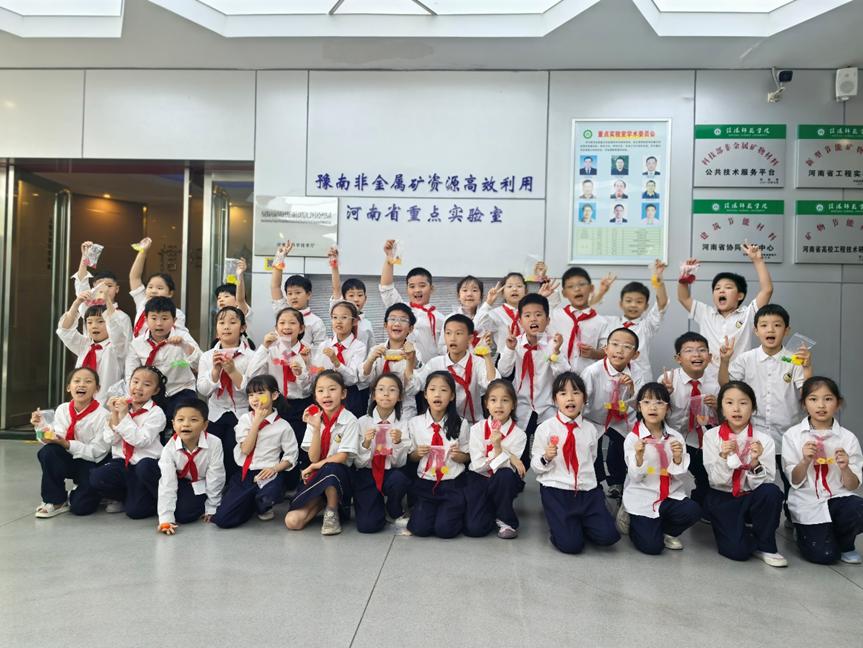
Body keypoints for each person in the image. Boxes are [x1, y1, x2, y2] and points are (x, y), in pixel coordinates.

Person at [532, 372, 620, 554]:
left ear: (584, 399)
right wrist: (546, 457)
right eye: (563, 393)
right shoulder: (545, 428)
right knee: (571, 546)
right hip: (556, 489)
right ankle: (563, 525)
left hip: (586, 490)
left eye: (576, 393)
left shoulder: (591, 430)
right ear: (555, 400)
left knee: (609, 537)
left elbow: (592, 458)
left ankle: (580, 521)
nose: (570, 398)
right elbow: (536, 466)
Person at [703, 381, 786, 567]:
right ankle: (745, 531)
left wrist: (755, 462)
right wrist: (723, 457)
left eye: (743, 403)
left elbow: (766, 482)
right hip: (723, 497)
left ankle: (766, 545)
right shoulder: (712, 436)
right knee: (737, 552)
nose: (736, 409)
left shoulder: (764, 440)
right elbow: (715, 480)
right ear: (721, 408)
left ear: (753, 407)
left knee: (771, 492)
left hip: (751, 494)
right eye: (729, 403)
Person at [782, 377, 863, 564]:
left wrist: (845, 468)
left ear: (838, 403)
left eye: (828, 399)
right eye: (813, 399)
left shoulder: (848, 438)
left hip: (838, 498)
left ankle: (846, 543)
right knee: (825, 556)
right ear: (804, 404)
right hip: (807, 502)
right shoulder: (793, 436)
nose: (821, 405)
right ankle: (804, 532)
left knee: (858, 508)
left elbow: (852, 485)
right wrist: (805, 461)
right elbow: (795, 480)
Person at [719, 303, 812, 457]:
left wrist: (807, 368)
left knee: (788, 472)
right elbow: (725, 386)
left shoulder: (795, 360)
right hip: (754, 437)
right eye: (764, 325)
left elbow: (807, 397)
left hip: (788, 438)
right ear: (756, 330)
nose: (770, 330)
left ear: (786, 330)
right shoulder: (746, 359)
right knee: (755, 470)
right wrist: (724, 361)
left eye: (777, 325)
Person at [621, 382, 701, 554]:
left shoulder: (675, 437)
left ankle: (667, 531)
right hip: (642, 495)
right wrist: (639, 457)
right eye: (647, 402)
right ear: (639, 407)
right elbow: (635, 477)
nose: (653, 407)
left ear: (667, 408)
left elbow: (680, 476)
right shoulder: (633, 438)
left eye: (659, 403)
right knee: (652, 547)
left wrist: (678, 459)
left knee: (693, 511)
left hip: (669, 495)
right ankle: (632, 519)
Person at [213, 375, 298, 528]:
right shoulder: (245, 419)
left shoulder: (283, 425)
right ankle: (252, 503)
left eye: (260, 393)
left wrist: (274, 469)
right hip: (246, 473)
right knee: (223, 520)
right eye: (251, 395)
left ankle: (263, 504)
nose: (255, 398)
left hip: (269, 473)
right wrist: (257, 422)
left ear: (274, 395)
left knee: (267, 495)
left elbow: (291, 456)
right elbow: (246, 449)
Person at [285, 371, 360, 535]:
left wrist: (314, 466)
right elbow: (313, 457)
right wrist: (316, 427)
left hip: (340, 476)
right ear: (315, 396)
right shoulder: (314, 419)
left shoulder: (350, 420)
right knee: (293, 521)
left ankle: (332, 510)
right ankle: (321, 502)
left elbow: (342, 457)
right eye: (320, 390)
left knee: (331, 468)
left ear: (343, 393)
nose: (326, 395)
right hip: (318, 474)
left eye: (332, 389)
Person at [677, 242, 773, 369]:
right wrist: (685, 276)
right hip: (708, 375)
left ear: (740, 296)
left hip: (739, 375)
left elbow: (767, 290)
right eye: (717, 288)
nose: (721, 291)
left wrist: (758, 260)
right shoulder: (705, 313)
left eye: (728, 287)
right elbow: (684, 298)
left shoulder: (748, 314)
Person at [31, 367, 110, 518]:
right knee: (48, 451)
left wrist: (67, 444)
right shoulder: (63, 409)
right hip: (69, 458)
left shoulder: (103, 415)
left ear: (97, 389)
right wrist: (41, 427)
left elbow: (98, 451)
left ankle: (91, 492)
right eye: (77, 381)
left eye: (88, 381)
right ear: (69, 387)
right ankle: (55, 500)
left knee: (81, 508)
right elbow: (57, 435)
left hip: (91, 464)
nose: (82, 385)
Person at [90, 365, 166, 518]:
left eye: (146, 384)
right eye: (135, 382)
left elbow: (140, 441)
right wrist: (114, 413)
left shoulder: (156, 413)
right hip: (123, 462)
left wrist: (124, 416)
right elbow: (111, 439)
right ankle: (124, 497)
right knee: (97, 477)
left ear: (155, 390)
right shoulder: (123, 407)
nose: (138, 387)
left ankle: (157, 500)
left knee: (136, 512)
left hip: (145, 464)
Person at [497, 294, 568, 457]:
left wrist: (556, 353)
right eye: (527, 315)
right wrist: (510, 349)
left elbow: (564, 375)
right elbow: (504, 371)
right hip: (520, 406)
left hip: (547, 407)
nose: (533, 319)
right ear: (520, 321)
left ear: (547, 320)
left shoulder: (553, 344)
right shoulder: (514, 343)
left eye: (538, 314)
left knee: (549, 452)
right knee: (519, 453)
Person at [581, 327, 647, 499]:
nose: (619, 350)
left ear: (635, 354)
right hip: (594, 417)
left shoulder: (637, 372)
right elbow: (581, 399)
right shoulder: (592, 372)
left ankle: (618, 482)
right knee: (592, 447)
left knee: (625, 444)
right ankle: (595, 484)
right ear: (606, 348)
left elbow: (641, 404)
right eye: (615, 344)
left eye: (627, 347)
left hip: (622, 418)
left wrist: (631, 389)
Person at [405, 371, 471, 538]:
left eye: (443, 390)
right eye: (432, 389)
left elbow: (467, 456)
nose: (437, 394)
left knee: (445, 530)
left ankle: (456, 512)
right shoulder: (415, 423)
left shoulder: (461, 423)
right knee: (420, 529)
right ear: (425, 394)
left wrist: (459, 456)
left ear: (452, 396)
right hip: (425, 482)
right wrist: (417, 454)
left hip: (452, 483)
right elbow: (410, 457)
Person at [659, 332, 719, 505]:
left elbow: (723, 420)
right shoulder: (667, 380)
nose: (696, 354)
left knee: (707, 476)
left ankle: (701, 501)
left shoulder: (715, 383)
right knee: (664, 475)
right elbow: (653, 414)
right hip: (669, 438)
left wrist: (717, 407)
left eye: (702, 350)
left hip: (698, 440)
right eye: (689, 350)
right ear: (678, 358)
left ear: (709, 357)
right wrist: (664, 395)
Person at [124, 296, 201, 428]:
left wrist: (184, 346)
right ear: (146, 320)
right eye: (154, 318)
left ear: (174, 320)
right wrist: (131, 398)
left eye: (164, 318)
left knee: (184, 425)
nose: (159, 323)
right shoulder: (137, 344)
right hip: (151, 394)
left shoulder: (183, 336)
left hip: (181, 390)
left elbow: (201, 364)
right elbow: (130, 375)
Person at [464, 379, 527, 539]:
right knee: (475, 529)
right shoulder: (477, 429)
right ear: (486, 404)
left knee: (505, 475)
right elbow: (478, 465)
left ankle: (506, 520)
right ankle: (493, 509)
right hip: (479, 478)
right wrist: (509, 456)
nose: (499, 405)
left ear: (513, 404)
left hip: (503, 482)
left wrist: (498, 448)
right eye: (493, 400)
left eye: (505, 400)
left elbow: (508, 469)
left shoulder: (519, 435)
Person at [197, 306, 254, 479]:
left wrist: (233, 372)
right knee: (212, 449)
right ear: (216, 329)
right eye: (221, 323)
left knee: (233, 449)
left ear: (243, 328)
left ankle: (233, 485)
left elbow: (253, 391)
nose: (226, 327)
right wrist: (215, 371)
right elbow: (203, 390)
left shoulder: (251, 357)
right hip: (215, 411)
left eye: (232, 322)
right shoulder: (207, 356)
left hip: (242, 412)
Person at [155, 398, 226, 535]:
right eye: (180, 420)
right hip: (180, 482)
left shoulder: (214, 443)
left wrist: (212, 507)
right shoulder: (169, 448)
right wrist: (166, 519)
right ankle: (164, 507)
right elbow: (167, 483)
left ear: (205, 425)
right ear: (173, 424)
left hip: (201, 484)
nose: (186, 424)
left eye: (193, 420)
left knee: (184, 516)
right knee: (148, 469)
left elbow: (216, 477)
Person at [352, 374, 413, 533]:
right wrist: (366, 443)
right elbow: (358, 463)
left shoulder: (403, 424)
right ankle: (376, 508)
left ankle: (393, 506)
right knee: (368, 526)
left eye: (392, 390)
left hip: (390, 472)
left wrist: (398, 443)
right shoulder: (362, 422)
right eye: (381, 389)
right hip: (367, 473)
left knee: (399, 480)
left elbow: (400, 463)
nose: (386, 394)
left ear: (400, 397)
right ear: (373, 395)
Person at [245, 307, 312, 450]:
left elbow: (308, 389)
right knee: (275, 446)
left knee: (298, 445)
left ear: (301, 328)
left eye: (292, 323)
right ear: (276, 328)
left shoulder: (307, 351)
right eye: (282, 323)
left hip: (300, 405)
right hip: (274, 403)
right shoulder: (270, 350)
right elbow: (252, 374)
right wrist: (264, 346)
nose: (286, 327)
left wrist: (300, 373)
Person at [420, 314, 498, 425]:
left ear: (470, 339)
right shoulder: (435, 363)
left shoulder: (478, 363)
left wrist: (487, 355)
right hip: (442, 424)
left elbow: (493, 386)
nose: (452, 338)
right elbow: (415, 386)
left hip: (473, 423)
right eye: (448, 333)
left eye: (458, 333)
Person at [55, 291, 127, 403]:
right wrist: (77, 303)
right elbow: (65, 330)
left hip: (106, 406)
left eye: (100, 321)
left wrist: (107, 301)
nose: (94, 326)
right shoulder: (85, 344)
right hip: (80, 403)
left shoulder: (116, 347)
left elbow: (116, 330)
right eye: (89, 322)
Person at [600, 260, 668, 378]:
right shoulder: (609, 322)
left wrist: (659, 280)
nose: (633, 305)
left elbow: (662, 303)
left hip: (640, 378)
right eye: (628, 300)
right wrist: (601, 291)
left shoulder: (647, 326)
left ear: (646, 306)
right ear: (621, 303)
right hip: (610, 377)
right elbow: (587, 311)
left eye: (639, 302)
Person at [379, 239, 440, 363]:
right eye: (412, 286)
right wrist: (389, 258)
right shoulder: (401, 309)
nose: (417, 290)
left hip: (428, 370)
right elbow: (386, 288)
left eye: (422, 286)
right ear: (407, 289)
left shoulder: (440, 319)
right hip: (399, 366)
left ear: (431, 288)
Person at [361, 303, 422, 420]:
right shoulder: (376, 350)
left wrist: (410, 360)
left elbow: (412, 389)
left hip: (404, 411)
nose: (397, 323)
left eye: (403, 320)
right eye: (392, 319)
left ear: (410, 328)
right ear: (385, 325)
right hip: (377, 409)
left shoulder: (415, 353)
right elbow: (364, 380)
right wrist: (370, 360)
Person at [548, 267, 606, 374]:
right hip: (556, 375)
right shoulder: (554, 315)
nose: (577, 289)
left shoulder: (601, 322)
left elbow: (607, 350)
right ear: (564, 293)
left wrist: (594, 353)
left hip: (586, 377)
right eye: (570, 286)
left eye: (582, 284)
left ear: (591, 288)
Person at [269, 240, 327, 349]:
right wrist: (280, 258)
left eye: (298, 292)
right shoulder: (283, 311)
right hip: (280, 358)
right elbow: (275, 287)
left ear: (308, 294)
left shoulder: (316, 322)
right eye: (290, 293)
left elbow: (321, 351)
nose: (293, 297)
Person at [71, 241, 133, 340]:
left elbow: (127, 345)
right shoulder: (87, 308)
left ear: (117, 289)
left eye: (109, 285)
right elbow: (81, 282)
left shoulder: (123, 317)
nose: (104, 289)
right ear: (93, 287)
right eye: (100, 285)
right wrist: (85, 256)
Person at [128, 237, 186, 336]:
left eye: (160, 288)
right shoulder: (143, 302)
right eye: (150, 287)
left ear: (170, 293)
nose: (153, 291)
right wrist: (143, 251)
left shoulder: (176, 313)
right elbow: (134, 277)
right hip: (138, 345)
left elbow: (179, 335)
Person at [327, 246, 374, 351]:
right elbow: (336, 289)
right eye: (351, 295)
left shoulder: (367, 325)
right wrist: (334, 265)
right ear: (343, 298)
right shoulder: (338, 312)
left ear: (365, 298)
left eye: (360, 295)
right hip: (336, 359)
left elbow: (371, 349)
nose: (356, 299)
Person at [213, 257, 251, 322]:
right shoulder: (220, 315)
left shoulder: (241, 311)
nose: (221, 300)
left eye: (226, 296)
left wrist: (240, 275)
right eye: (219, 298)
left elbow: (240, 299)